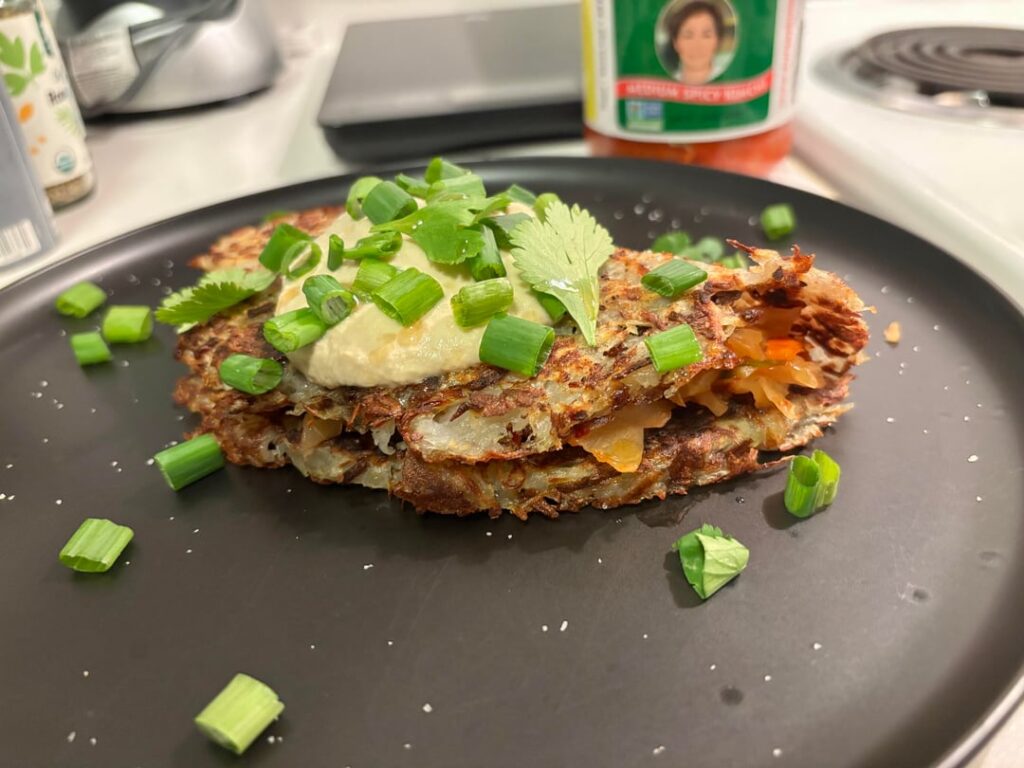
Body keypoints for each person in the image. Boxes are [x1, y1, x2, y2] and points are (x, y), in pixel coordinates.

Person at [667, 1, 726, 85]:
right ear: (676, 43)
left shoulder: (730, 80)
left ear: (717, 41)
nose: (697, 45)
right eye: (688, 36)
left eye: (706, 35)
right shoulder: (666, 81)